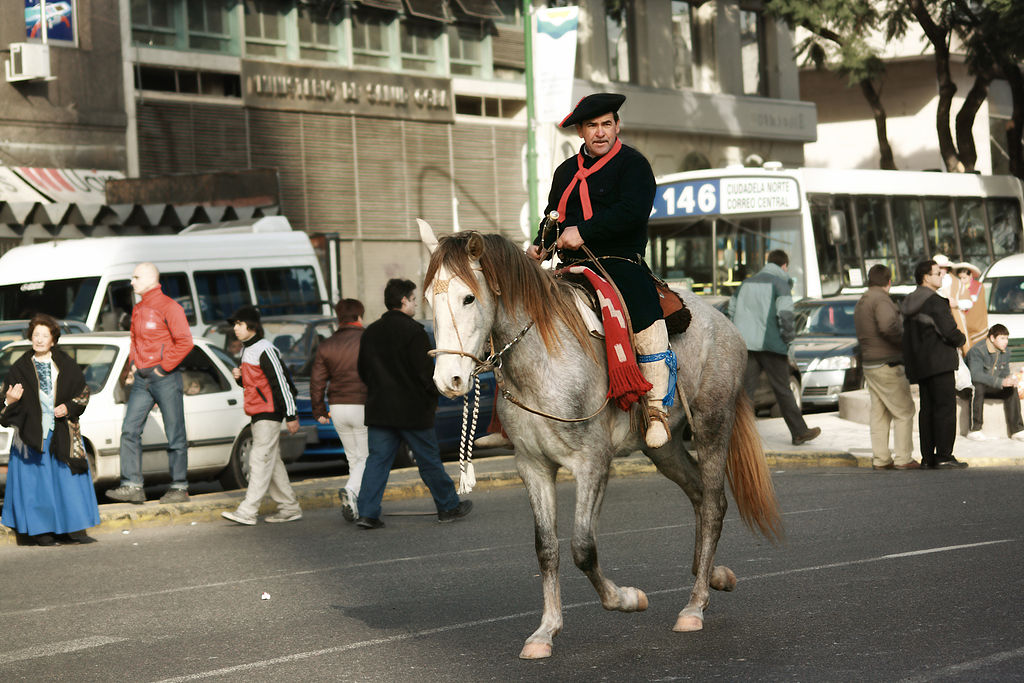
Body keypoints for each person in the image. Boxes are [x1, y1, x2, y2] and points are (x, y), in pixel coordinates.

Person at [526, 92, 674, 449]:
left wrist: (584, 232)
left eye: (607, 124)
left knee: (641, 304)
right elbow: (554, 216)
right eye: (592, 126)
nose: (601, 132)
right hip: (572, 267)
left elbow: (632, 212)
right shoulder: (565, 172)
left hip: (620, 263)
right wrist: (539, 245)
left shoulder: (633, 165)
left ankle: (656, 410)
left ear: (617, 126)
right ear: (580, 132)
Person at [354, 279, 472, 529]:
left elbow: (363, 371)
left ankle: (367, 513)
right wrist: (434, 397)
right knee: (429, 461)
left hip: (379, 410)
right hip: (413, 411)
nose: (417, 303)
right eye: (414, 299)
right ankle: (448, 506)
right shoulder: (414, 332)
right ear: (404, 300)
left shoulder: (371, 332)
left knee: (376, 462)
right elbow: (424, 373)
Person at [1, 314, 101, 545]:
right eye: (36, 335)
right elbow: (4, 406)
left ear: (53, 340)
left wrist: (68, 407)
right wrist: (9, 400)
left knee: (66, 483)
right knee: (38, 486)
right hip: (33, 437)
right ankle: (41, 532)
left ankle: (71, 529)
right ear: (30, 337)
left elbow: (83, 393)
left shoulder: (65, 362)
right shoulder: (20, 367)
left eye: (44, 335)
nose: (39, 339)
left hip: (63, 434)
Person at [106, 263, 195, 504]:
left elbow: (185, 342)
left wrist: (162, 368)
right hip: (143, 378)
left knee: (175, 433)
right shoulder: (139, 308)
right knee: (129, 430)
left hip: (164, 377)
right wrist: (134, 365)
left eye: (135, 277)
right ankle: (132, 485)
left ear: (149, 278)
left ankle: (179, 486)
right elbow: (134, 339)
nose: (132, 282)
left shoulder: (169, 306)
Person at [221, 306, 303, 525]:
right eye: (235, 324)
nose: (235, 329)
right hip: (259, 413)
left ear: (252, 326)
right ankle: (289, 507)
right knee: (272, 461)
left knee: (258, 460)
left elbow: (282, 383)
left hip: (269, 413)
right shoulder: (248, 350)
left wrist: (291, 414)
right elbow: (255, 385)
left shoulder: (264, 349)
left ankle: (247, 511)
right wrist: (240, 379)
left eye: (239, 324)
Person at [729, 250, 821, 446]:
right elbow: (786, 316)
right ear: (785, 266)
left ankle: (738, 437)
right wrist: (788, 341)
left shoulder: (745, 284)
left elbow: (731, 310)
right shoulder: (781, 283)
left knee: (746, 393)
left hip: (746, 345)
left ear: (768, 262)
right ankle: (799, 432)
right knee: (783, 390)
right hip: (772, 345)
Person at [901, 260, 969, 469]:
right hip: (940, 362)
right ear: (926, 277)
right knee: (945, 409)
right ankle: (944, 456)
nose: (941, 276)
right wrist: (961, 339)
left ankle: (927, 457)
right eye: (937, 273)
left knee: (927, 410)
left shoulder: (909, 302)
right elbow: (949, 331)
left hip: (921, 365)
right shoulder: (934, 301)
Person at [853, 265, 919, 470]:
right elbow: (887, 325)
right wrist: (903, 342)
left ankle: (881, 459)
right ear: (888, 282)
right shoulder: (881, 299)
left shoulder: (862, 300)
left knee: (879, 414)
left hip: (870, 363)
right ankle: (903, 458)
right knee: (904, 411)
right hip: (887, 362)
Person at [310, 298, 369, 523]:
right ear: (359, 316)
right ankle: (351, 490)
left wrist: (319, 411)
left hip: (337, 407)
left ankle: (356, 504)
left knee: (352, 457)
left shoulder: (326, 345)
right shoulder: (366, 340)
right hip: (361, 404)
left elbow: (317, 382)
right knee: (365, 456)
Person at [964, 324, 1024, 442]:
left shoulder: (1005, 352)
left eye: (1007, 338)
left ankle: (1017, 430)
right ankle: (974, 429)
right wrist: (1001, 381)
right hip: (971, 388)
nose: (1006, 342)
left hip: (991, 386)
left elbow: (1004, 372)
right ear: (992, 338)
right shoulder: (977, 350)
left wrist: (1011, 379)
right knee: (978, 386)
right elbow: (975, 375)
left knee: (1011, 389)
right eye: (1002, 338)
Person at [933, 254, 969, 350]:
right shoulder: (930, 283)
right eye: (939, 267)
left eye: (943, 267)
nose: (941, 270)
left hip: (954, 322)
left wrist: (957, 303)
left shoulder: (956, 283)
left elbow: (969, 303)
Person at [954, 262, 988, 351]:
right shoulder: (957, 288)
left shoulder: (978, 286)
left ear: (970, 276)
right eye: (960, 278)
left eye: (964, 278)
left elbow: (973, 303)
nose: (962, 280)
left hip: (977, 326)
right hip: (964, 326)